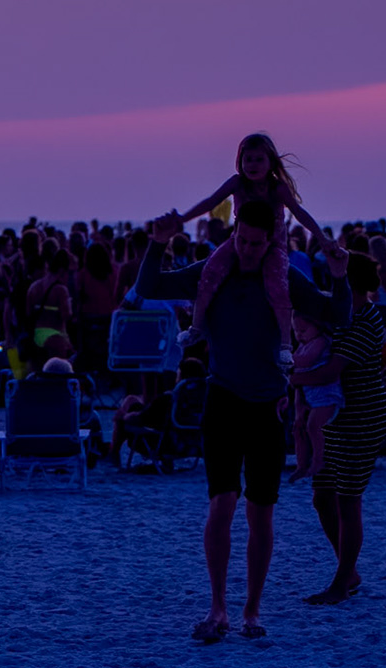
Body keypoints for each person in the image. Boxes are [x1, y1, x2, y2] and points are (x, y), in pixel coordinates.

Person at [140, 203, 350, 642]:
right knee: (222, 505)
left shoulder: (283, 277)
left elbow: (338, 314)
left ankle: (252, 609)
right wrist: (157, 243)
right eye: (244, 241)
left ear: (271, 241)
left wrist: (339, 275)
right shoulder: (212, 272)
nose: (251, 251)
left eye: (259, 243)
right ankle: (218, 607)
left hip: (268, 405)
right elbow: (152, 285)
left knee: (261, 512)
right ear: (234, 234)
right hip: (223, 399)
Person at [176, 134, 328, 358]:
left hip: (272, 245)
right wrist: (182, 219)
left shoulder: (277, 188)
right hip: (239, 241)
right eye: (248, 159)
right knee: (210, 272)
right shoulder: (237, 183)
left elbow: (300, 213)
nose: (252, 165)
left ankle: (286, 344)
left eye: (259, 159)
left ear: (270, 162)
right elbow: (211, 202)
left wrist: (322, 238)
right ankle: (196, 328)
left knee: (277, 286)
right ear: (240, 161)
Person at [299, 248, 386, 605]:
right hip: (335, 416)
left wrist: (290, 380)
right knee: (323, 498)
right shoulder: (339, 314)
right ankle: (347, 570)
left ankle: (342, 580)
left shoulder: (365, 319)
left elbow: (331, 370)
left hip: (362, 417)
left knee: (349, 501)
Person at [287, 312, 342, 483]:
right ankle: (302, 464)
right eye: (296, 331)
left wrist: (286, 358)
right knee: (298, 429)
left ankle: (319, 460)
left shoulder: (321, 342)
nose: (299, 335)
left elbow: (307, 361)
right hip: (307, 393)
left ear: (318, 326)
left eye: (303, 330)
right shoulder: (303, 345)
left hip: (326, 396)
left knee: (313, 425)